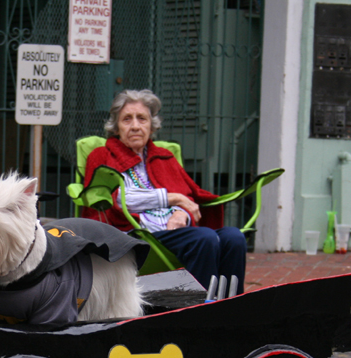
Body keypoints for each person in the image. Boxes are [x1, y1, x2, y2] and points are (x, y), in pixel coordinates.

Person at [82, 89, 246, 290]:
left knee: (234, 237)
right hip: (138, 233)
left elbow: (189, 196)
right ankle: (200, 311)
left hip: (175, 232)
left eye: (142, 118)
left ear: (151, 126)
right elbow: (118, 200)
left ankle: (230, 307)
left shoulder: (163, 156)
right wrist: (173, 199)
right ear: (116, 127)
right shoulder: (102, 156)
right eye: (127, 119)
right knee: (204, 238)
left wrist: (182, 212)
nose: (135, 126)